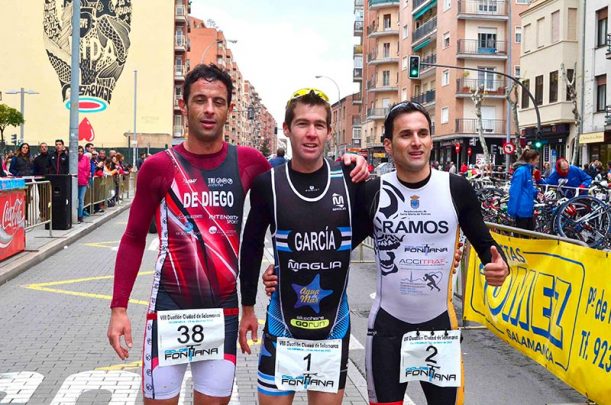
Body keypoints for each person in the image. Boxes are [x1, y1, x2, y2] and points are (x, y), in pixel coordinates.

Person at [106, 65, 368, 404]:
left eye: (218, 101)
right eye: (200, 100)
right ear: (183, 105)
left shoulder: (249, 162)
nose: (209, 109)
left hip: (223, 315)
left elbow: (299, 191)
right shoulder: (159, 166)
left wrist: (349, 163)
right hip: (169, 310)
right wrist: (119, 308)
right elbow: (132, 238)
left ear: (230, 109)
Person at [239, 88, 371, 405]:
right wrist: (248, 308)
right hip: (281, 324)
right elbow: (251, 246)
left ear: (328, 132)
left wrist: (451, 252)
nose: (311, 133)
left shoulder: (351, 179)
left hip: (333, 328)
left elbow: (378, 227)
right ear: (287, 129)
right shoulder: (267, 184)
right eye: (302, 124)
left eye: (319, 125)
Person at [507, 149, 540, 230]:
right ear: (531, 160)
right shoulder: (522, 171)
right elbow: (515, 191)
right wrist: (512, 211)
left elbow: (527, 187)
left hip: (526, 209)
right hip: (522, 210)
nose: (538, 161)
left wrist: (536, 193)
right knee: (523, 234)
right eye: (537, 159)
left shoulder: (527, 170)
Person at [77, 145, 91, 223]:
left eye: (81, 151)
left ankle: (80, 215)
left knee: (81, 199)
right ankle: (74, 215)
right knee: (75, 199)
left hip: (83, 182)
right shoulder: (73, 159)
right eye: (78, 151)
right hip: (74, 182)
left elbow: (88, 169)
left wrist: (86, 178)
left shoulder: (85, 159)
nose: (80, 153)